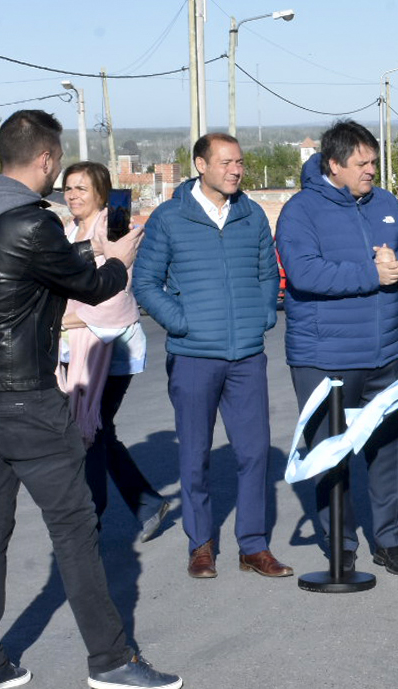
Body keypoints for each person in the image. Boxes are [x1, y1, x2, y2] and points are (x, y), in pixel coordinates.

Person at [0, 109, 180, 689]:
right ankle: (111, 661)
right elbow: (94, 288)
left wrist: (90, 254)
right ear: (46, 158)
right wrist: (117, 259)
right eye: (57, 168)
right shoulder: (32, 222)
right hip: (25, 398)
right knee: (75, 528)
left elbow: (32, 275)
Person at [133, 133, 290, 581]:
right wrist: (182, 323)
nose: (236, 170)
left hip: (246, 356)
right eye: (226, 162)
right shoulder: (169, 218)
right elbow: (146, 283)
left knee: (254, 452)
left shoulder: (251, 214)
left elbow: (268, 273)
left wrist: (262, 316)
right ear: (201, 165)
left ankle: (253, 546)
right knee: (195, 455)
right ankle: (200, 545)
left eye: (239, 162)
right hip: (193, 356)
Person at [277, 120, 398, 577]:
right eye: (362, 163)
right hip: (325, 359)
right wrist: (372, 273)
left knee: (390, 454)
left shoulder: (385, 203)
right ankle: (341, 544)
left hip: (384, 354)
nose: (371, 170)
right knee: (331, 456)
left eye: (373, 162)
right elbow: (304, 273)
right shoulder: (301, 211)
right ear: (334, 164)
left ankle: (390, 542)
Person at [59, 162, 170, 543]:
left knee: (88, 431)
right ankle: (146, 503)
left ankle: (92, 521)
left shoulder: (114, 230)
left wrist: (57, 320)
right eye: (68, 188)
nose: (73, 195)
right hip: (75, 348)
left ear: (101, 192)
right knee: (97, 430)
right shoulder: (68, 230)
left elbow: (114, 300)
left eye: (81, 188)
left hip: (112, 348)